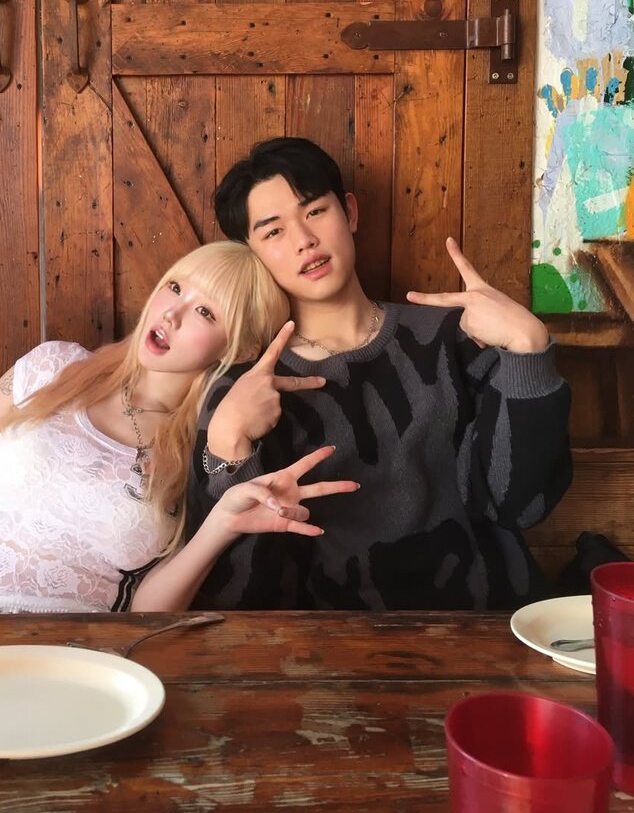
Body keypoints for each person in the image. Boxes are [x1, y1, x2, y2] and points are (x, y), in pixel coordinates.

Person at [0, 217, 359, 614]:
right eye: (175, 287)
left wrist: (220, 525)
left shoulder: (201, 449)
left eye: (205, 311)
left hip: (91, 661)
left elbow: (143, 613)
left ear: (240, 348)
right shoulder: (51, 368)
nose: (171, 314)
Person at [185, 136, 573, 610]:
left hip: (480, 622)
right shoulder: (245, 387)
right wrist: (228, 451)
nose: (304, 239)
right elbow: (235, 592)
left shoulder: (452, 337)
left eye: (315, 211)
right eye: (273, 232)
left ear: (349, 212)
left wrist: (529, 351)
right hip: (324, 641)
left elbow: (523, 505)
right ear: (251, 254)